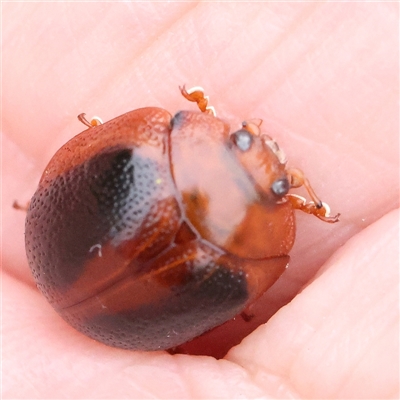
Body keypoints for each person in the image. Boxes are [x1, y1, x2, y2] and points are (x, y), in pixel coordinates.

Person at [2, 2, 398, 398]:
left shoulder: (155, 147)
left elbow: (94, 149)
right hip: (99, 305)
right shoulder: (244, 269)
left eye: (280, 189)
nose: (268, 154)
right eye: (243, 142)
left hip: (61, 261)